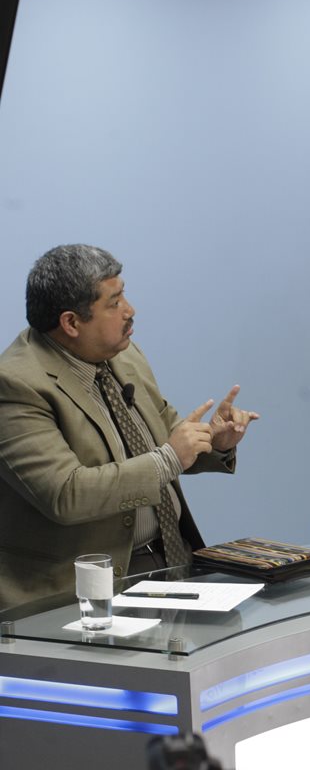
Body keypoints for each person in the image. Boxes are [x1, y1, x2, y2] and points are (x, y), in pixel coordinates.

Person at [0, 245, 258, 610]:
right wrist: (170, 458)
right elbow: (65, 494)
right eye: (114, 302)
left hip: (173, 556)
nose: (130, 310)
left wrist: (213, 441)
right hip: (81, 587)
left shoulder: (123, 353)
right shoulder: (15, 385)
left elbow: (166, 434)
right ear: (71, 323)